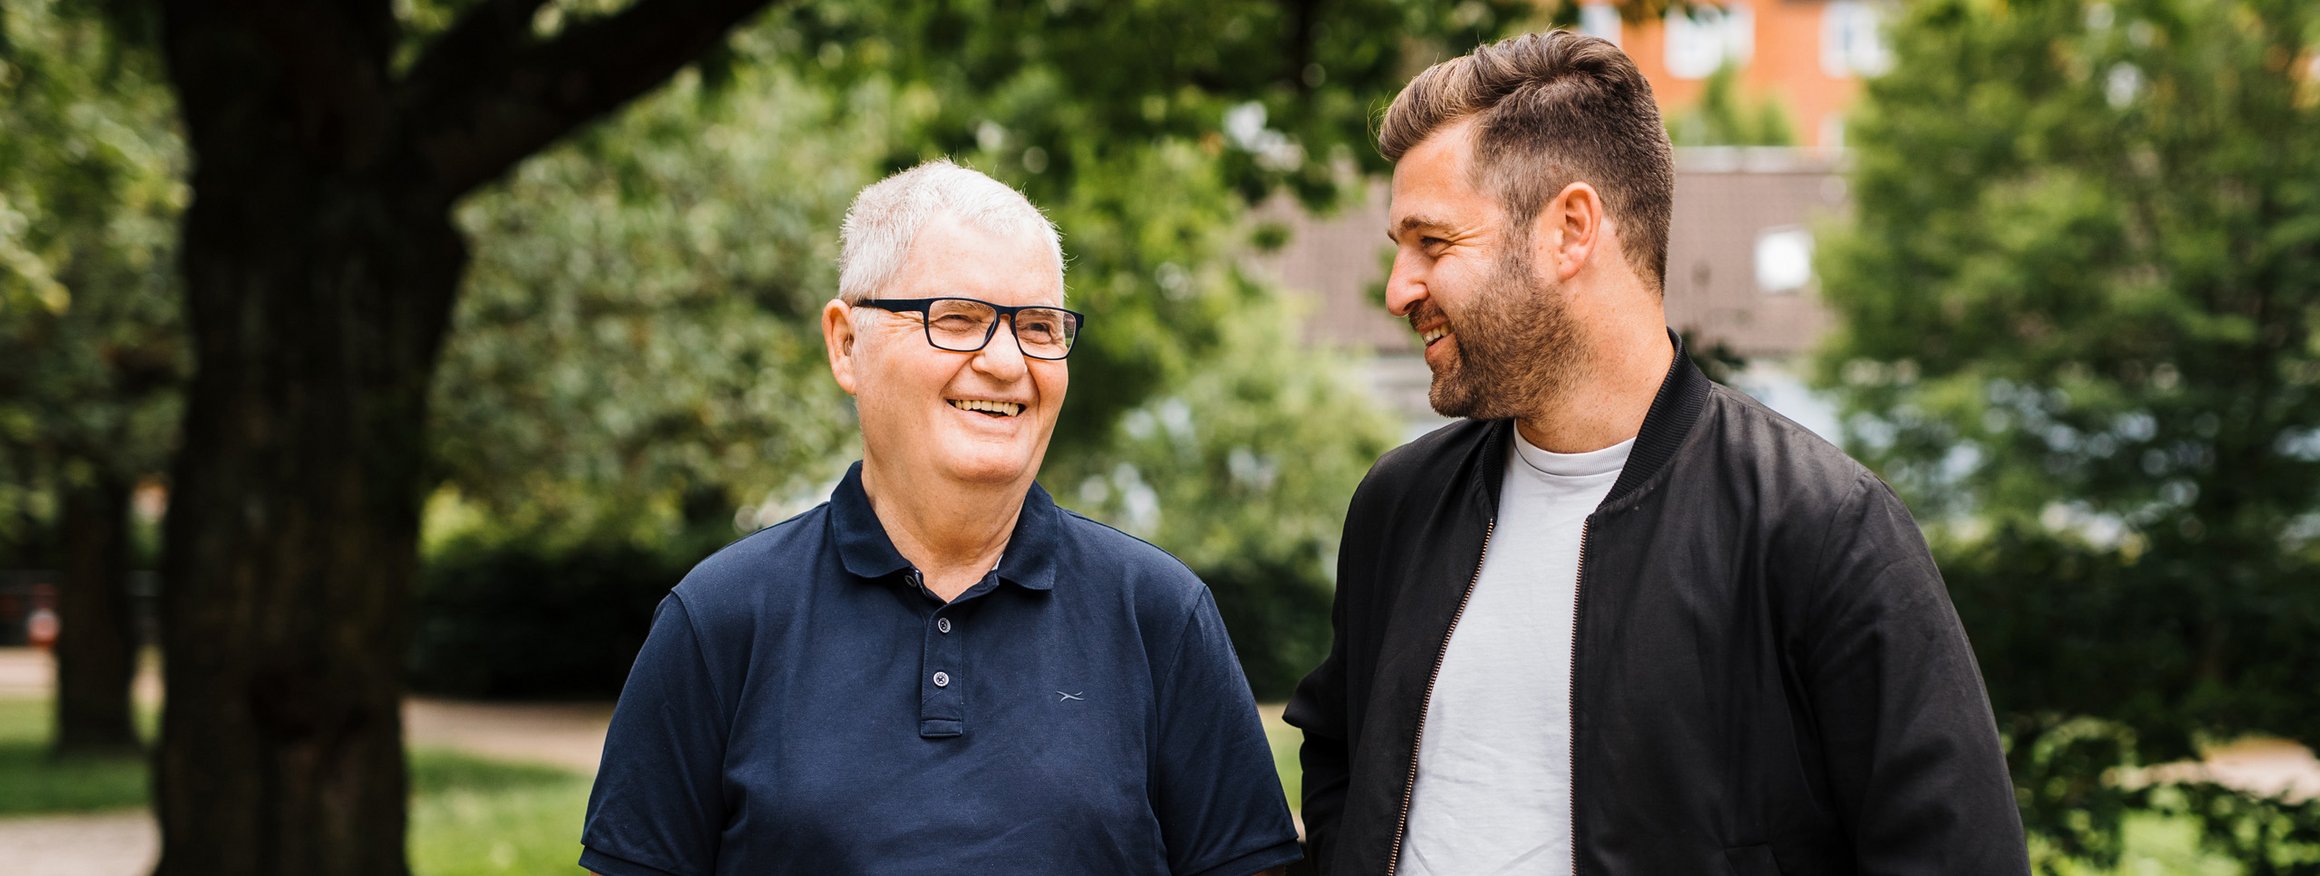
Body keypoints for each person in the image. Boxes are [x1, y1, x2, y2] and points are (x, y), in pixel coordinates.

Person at [1283, 31, 2028, 876]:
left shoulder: (1822, 529)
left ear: (1570, 229)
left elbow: (1954, 853)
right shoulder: (1400, 506)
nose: (1398, 289)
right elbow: (1338, 753)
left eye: (1435, 243)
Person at [580, 160, 1301, 876]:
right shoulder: (719, 619)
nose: (1006, 361)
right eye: (957, 319)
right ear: (845, 344)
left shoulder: (1161, 615)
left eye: (1040, 327)